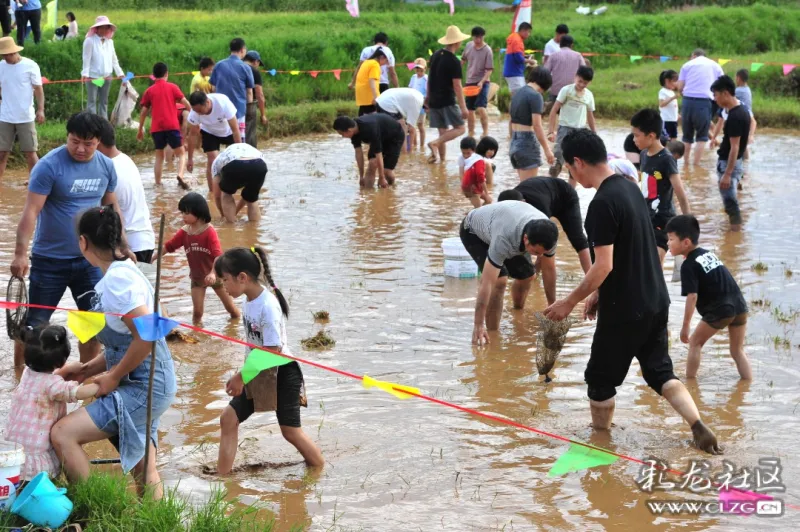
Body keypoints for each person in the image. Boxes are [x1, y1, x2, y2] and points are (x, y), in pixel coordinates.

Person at [543, 129, 721, 455]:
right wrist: (597, 294)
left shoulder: (601, 204)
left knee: (599, 380)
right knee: (660, 372)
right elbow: (630, 253)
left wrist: (568, 302)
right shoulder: (630, 188)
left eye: (569, 168)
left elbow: (603, 266)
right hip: (656, 299)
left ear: (578, 163)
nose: (571, 174)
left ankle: (600, 441)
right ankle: (697, 425)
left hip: (625, 309)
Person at [51, 207, 177, 499]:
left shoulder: (118, 281)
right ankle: (156, 522)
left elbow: (147, 336)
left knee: (63, 433)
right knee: (143, 465)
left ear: (83, 242)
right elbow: (124, 343)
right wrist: (86, 369)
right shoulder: (123, 271)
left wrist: (113, 377)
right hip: (150, 379)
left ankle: (95, 507)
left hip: (145, 384)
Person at [11, 112, 126, 369]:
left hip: (90, 261)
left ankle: (85, 374)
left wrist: (122, 244)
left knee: (92, 322)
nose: (81, 149)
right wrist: (20, 254)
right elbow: (31, 211)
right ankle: (20, 375)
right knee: (35, 325)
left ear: (99, 141)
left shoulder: (106, 166)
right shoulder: (49, 166)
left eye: (89, 143)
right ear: (68, 136)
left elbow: (112, 206)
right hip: (49, 261)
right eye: (75, 141)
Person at [214, 247, 325, 475]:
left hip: (282, 372)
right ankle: (222, 480)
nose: (223, 286)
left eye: (225, 280)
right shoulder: (249, 301)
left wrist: (241, 376)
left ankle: (318, 469)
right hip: (257, 370)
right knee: (228, 418)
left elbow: (273, 350)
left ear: (242, 277)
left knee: (290, 431)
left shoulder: (268, 305)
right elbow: (256, 346)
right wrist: (244, 373)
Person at [5, 324, 99, 481]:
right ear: (61, 361)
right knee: (41, 484)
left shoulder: (27, 373)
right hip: (36, 451)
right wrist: (99, 385)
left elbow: (48, 378)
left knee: (17, 484)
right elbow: (75, 393)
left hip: (16, 445)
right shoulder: (53, 386)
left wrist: (67, 369)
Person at [460, 200, 559, 345]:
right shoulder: (504, 239)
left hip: (506, 222)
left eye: (544, 253)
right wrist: (478, 323)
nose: (540, 256)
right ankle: (492, 336)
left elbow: (549, 269)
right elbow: (487, 283)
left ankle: (517, 311)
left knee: (528, 276)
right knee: (500, 281)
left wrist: (552, 305)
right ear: (526, 239)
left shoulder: (549, 235)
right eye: (536, 252)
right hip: (474, 231)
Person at [665, 215, 752, 380]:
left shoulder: (688, 265)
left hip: (721, 309)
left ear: (686, 242)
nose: (668, 243)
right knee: (737, 351)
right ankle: (747, 386)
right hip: (739, 305)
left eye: (671, 239)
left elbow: (692, 297)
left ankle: (690, 385)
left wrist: (685, 326)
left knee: (695, 343)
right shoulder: (707, 254)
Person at [153, 192, 239, 322]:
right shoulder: (185, 232)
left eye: (186, 213)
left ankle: (236, 328)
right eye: (182, 212)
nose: (183, 216)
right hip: (197, 278)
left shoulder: (209, 232)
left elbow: (218, 256)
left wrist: (212, 273)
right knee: (197, 313)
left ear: (198, 213)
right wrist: (153, 257)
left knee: (231, 309)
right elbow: (169, 246)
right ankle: (197, 333)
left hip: (215, 276)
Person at [630, 108, 689, 264]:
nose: (633, 140)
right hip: (646, 218)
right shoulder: (643, 155)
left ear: (651, 136)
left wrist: (687, 224)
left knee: (654, 267)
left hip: (662, 220)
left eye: (636, 136)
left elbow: (680, 193)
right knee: (641, 264)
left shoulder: (667, 159)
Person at [98, 118, 155, 264]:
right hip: (145, 239)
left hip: (127, 246)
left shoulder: (107, 169)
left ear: (97, 142)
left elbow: (107, 212)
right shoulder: (125, 159)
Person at [507, 176, 593, 274]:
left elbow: (544, 243)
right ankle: (534, 274)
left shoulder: (538, 210)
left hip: (566, 197)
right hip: (544, 192)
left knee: (577, 239)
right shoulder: (508, 203)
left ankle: (593, 279)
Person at [137, 62, 191, 187]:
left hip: (156, 128)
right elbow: (186, 102)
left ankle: (157, 184)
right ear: (166, 74)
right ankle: (180, 175)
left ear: (154, 76)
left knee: (159, 156)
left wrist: (140, 129)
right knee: (181, 153)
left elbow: (143, 111)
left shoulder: (149, 91)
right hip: (172, 126)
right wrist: (194, 116)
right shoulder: (172, 87)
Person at [0, 36, 43, 179]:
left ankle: (37, 182)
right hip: (5, 117)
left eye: (7, 54)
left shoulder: (30, 65)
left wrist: (41, 109)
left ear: (14, 52)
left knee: (30, 152)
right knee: (2, 152)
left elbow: (38, 89)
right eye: (3, 55)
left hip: (25, 116)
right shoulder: (1, 66)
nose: (5, 57)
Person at [711, 75, 750, 232]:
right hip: (736, 162)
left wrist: (727, 173)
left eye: (716, 95)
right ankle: (735, 231)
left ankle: (734, 232)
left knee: (730, 201)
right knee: (731, 198)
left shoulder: (735, 116)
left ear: (725, 93)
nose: (715, 99)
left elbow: (734, 147)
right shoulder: (742, 110)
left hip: (728, 164)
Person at [426, 25, 470, 164]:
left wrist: (428, 96)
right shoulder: (454, 61)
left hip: (434, 99)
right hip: (446, 100)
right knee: (460, 128)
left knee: (442, 131)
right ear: (457, 42)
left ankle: (441, 161)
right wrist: (463, 108)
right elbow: (457, 85)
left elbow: (430, 76)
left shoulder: (435, 55)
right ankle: (435, 143)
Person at [185, 91, 242, 195]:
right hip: (209, 132)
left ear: (207, 102)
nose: (198, 113)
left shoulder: (223, 103)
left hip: (228, 131)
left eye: (200, 111)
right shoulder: (195, 112)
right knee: (212, 160)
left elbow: (235, 130)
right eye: (195, 111)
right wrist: (189, 159)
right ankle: (212, 193)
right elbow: (192, 135)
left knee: (233, 161)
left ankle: (234, 188)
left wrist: (240, 152)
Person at [548, 65, 596, 183]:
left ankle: (571, 193)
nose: (581, 85)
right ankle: (550, 185)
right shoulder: (566, 90)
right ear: (575, 77)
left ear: (589, 83)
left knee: (576, 164)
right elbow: (554, 110)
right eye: (580, 81)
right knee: (558, 159)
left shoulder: (589, 95)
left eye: (585, 83)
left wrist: (594, 133)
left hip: (580, 131)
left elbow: (590, 115)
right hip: (564, 129)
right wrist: (550, 131)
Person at [676, 49, 724, 166]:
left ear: (693, 55)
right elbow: (722, 84)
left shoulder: (687, 65)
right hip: (704, 102)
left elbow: (680, 87)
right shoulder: (715, 65)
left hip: (687, 102)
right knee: (702, 137)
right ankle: (696, 165)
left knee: (687, 137)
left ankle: (686, 164)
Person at [333, 114, 404, 189]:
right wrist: (361, 176)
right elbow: (358, 153)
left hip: (394, 136)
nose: (342, 136)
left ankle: (390, 190)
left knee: (387, 172)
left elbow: (378, 154)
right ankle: (368, 195)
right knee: (372, 163)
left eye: (341, 134)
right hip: (379, 135)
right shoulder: (354, 132)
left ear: (349, 130)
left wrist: (381, 177)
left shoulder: (370, 129)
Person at [509, 66, 554, 180]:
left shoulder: (518, 93)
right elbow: (537, 125)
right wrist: (547, 150)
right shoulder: (536, 96)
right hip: (527, 142)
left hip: (514, 142)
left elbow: (511, 120)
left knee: (524, 187)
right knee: (530, 189)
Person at [209, 37, 254, 139]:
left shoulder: (219, 65)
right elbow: (249, 92)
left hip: (221, 110)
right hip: (239, 111)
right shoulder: (246, 67)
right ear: (243, 50)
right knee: (239, 140)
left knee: (224, 139)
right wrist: (250, 109)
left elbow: (213, 89)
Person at [210, 142, 267, 223]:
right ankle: (254, 230)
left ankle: (231, 228)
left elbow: (217, 196)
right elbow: (246, 197)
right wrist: (235, 211)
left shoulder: (216, 162)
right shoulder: (246, 149)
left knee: (226, 194)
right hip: (259, 164)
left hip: (235, 163)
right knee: (252, 199)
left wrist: (224, 215)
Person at [81, 16, 125, 119]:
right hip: (93, 77)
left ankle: (103, 123)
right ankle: (92, 123)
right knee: (92, 101)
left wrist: (120, 73)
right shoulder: (90, 41)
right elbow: (86, 59)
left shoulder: (110, 42)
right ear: (97, 28)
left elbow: (114, 60)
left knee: (104, 101)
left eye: (107, 28)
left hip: (107, 76)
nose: (105, 30)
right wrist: (85, 74)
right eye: (102, 27)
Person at [461, 26, 493, 138]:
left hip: (483, 82)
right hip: (470, 81)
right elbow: (463, 59)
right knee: (470, 109)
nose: (477, 40)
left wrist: (482, 81)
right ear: (472, 37)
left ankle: (485, 132)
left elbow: (489, 70)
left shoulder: (487, 50)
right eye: (475, 38)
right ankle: (471, 132)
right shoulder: (469, 45)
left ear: (483, 37)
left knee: (480, 107)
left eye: (480, 38)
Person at [545, 35, 586, 114]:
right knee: (571, 114)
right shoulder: (578, 56)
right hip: (573, 91)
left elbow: (546, 72)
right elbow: (584, 72)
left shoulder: (553, 56)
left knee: (554, 113)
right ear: (572, 45)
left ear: (560, 44)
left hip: (556, 91)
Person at [458, 136, 491, 208]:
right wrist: (462, 186)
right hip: (470, 187)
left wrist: (486, 193)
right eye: (463, 153)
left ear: (474, 151)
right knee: (478, 208)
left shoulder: (478, 160)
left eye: (468, 153)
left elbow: (481, 177)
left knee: (488, 201)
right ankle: (473, 216)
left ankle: (471, 215)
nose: (465, 156)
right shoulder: (461, 158)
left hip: (477, 185)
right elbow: (461, 173)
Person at [243, 50, 268, 148]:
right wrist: (263, 115)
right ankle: (250, 158)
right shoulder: (254, 71)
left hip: (232, 105)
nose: (257, 66)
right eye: (258, 63)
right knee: (249, 135)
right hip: (248, 106)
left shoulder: (235, 68)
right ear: (255, 61)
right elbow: (259, 95)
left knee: (234, 133)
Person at [503, 21, 534, 96]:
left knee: (516, 97)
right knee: (519, 97)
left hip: (511, 72)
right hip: (514, 73)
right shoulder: (517, 40)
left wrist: (525, 56)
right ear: (523, 30)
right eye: (528, 32)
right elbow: (519, 59)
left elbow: (515, 54)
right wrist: (530, 61)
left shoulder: (514, 37)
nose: (529, 34)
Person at [354, 49, 389, 116]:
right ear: (381, 57)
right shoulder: (375, 65)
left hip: (362, 95)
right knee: (373, 117)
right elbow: (372, 81)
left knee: (362, 115)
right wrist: (376, 97)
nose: (386, 63)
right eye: (386, 60)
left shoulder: (366, 62)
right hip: (370, 96)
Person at [407, 57, 428, 150]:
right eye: (417, 69)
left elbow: (428, 92)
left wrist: (426, 104)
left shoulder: (426, 79)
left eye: (421, 70)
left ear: (425, 69)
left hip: (421, 104)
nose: (418, 72)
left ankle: (422, 145)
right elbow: (410, 88)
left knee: (420, 125)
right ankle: (414, 144)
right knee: (412, 125)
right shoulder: (414, 77)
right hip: (412, 104)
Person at [658, 69, 680, 140]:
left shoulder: (671, 92)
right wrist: (672, 98)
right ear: (667, 81)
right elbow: (661, 104)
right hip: (666, 120)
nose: (676, 83)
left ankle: (673, 151)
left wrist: (677, 115)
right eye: (674, 81)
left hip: (673, 120)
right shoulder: (663, 91)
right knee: (666, 139)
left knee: (674, 138)